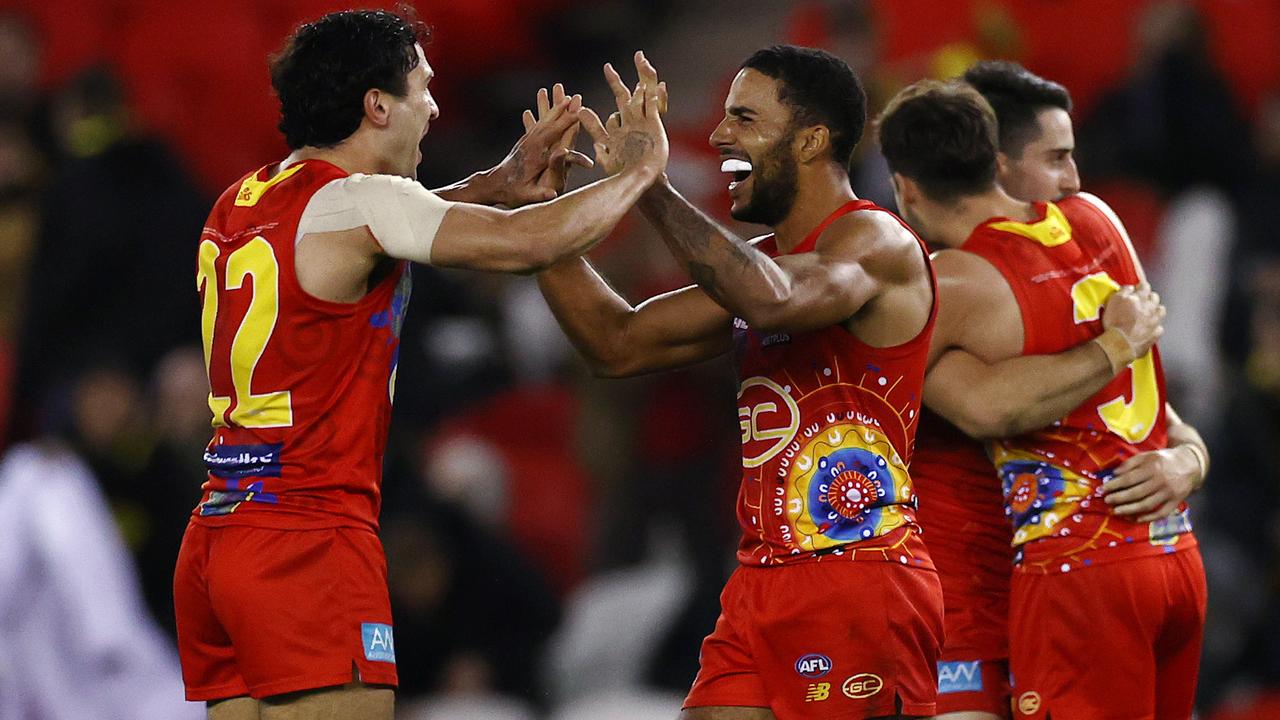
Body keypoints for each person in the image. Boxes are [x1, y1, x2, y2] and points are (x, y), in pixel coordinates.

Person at [171, 9, 668, 720]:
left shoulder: (243, 202)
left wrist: (493, 184)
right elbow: (529, 244)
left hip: (219, 537)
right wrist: (641, 172)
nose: (434, 106)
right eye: (421, 89)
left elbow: (363, 234)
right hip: (308, 538)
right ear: (377, 105)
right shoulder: (362, 204)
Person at [878, 79, 1208, 720]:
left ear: (905, 187)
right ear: (993, 159)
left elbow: (988, 408)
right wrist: (1186, 455)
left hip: (1074, 570)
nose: (1070, 178)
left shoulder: (951, 284)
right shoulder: (1098, 220)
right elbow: (1148, 405)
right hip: (1171, 558)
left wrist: (1186, 455)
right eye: (1057, 159)